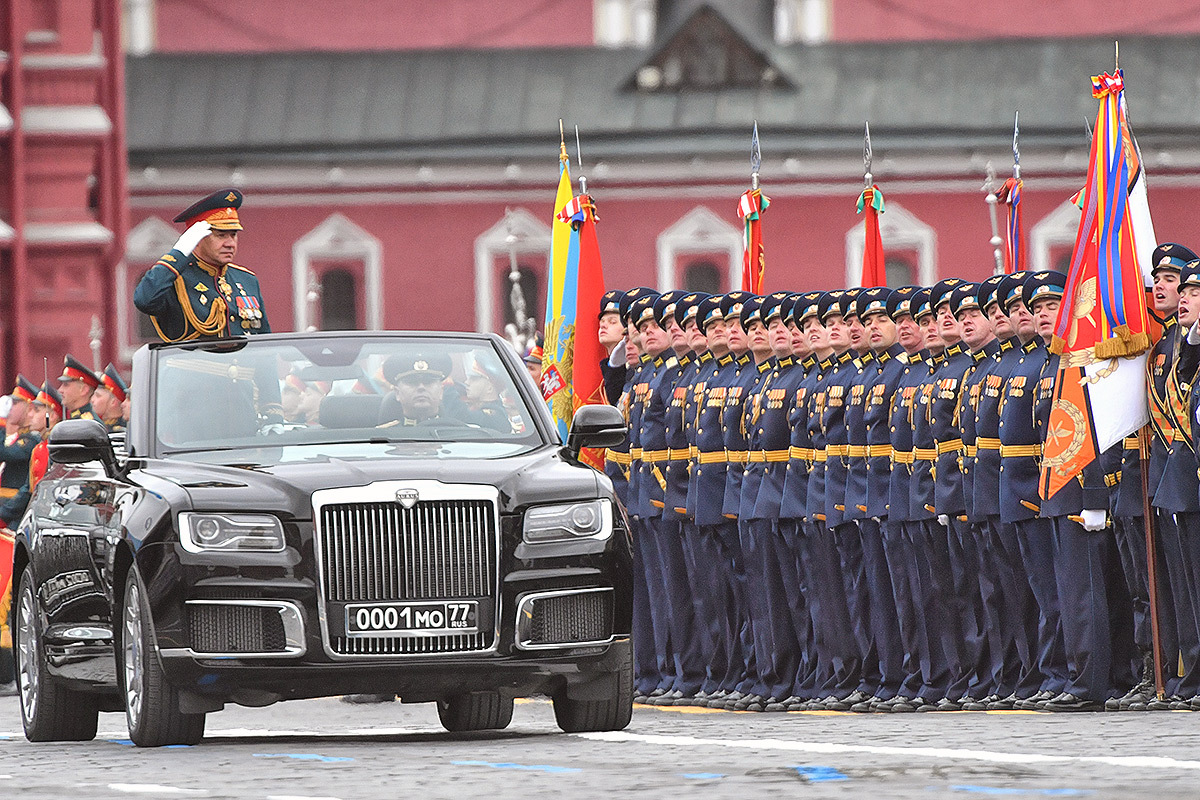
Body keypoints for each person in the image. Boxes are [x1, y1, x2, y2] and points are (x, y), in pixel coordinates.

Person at [134, 188, 270, 341]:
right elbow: (144, 300)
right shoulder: (174, 279)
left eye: (233, 235)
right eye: (221, 235)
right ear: (197, 239)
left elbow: (264, 339)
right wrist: (179, 252)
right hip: (196, 364)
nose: (230, 243)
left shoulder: (246, 280)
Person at [57, 355, 98, 421]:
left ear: (84, 390)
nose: (60, 390)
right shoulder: (75, 418)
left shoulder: (88, 422)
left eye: (66, 385)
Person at [93, 364, 128, 434]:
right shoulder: (106, 425)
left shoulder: (121, 431)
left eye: (98, 396)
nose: (92, 400)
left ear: (113, 402)